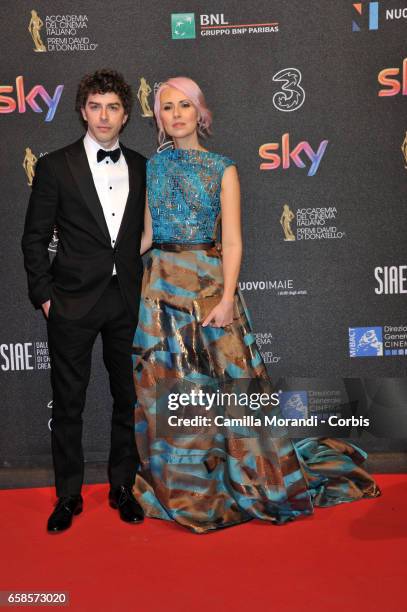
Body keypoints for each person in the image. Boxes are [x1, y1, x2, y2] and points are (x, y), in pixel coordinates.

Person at [131, 76, 381, 534]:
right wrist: (99, 258)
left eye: (185, 105)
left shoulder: (224, 168)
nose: (177, 114)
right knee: (167, 392)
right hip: (161, 290)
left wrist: (227, 298)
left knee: (227, 392)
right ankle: (183, 488)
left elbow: (233, 240)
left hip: (208, 287)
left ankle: (236, 483)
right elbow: (146, 236)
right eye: (167, 108)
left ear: (200, 113)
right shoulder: (152, 169)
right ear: (159, 119)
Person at [21, 69, 145, 532]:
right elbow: (34, 238)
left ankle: (122, 486)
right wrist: (44, 296)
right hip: (70, 301)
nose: (104, 116)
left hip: (125, 299)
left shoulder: (141, 164)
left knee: (127, 397)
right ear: (82, 110)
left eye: (113, 107)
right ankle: (68, 495)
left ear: (126, 114)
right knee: (67, 401)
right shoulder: (55, 165)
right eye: (96, 106)